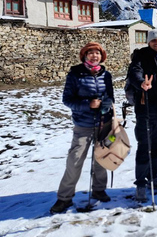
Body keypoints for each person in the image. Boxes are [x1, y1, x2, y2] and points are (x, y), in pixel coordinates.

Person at [50, 42, 114, 214]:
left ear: (102, 57)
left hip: (103, 123)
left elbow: (110, 97)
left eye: (97, 53)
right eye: (91, 53)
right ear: (84, 56)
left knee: (100, 159)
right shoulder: (75, 75)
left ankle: (99, 190)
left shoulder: (106, 75)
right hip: (83, 125)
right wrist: (88, 105)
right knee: (75, 160)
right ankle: (64, 198)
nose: (94, 56)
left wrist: (105, 106)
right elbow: (67, 100)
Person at [126, 29, 157, 202]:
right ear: (149, 42)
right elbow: (134, 73)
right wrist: (142, 83)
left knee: (156, 146)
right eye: (154, 40)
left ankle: (153, 178)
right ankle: (140, 183)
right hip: (145, 108)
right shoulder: (140, 57)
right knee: (144, 146)